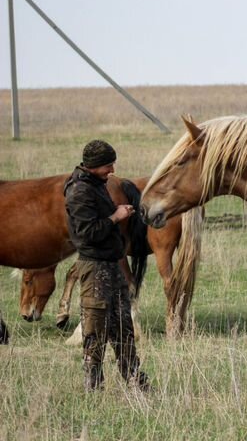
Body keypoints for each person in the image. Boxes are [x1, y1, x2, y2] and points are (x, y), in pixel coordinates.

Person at [64, 139, 149, 392]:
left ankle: (134, 381)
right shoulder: (79, 192)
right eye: (108, 165)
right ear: (93, 166)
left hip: (112, 265)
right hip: (94, 268)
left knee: (124, 327)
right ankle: (93, 386)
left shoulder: (96, 184)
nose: (112, 170)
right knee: (95, 329)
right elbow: (87, 232)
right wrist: (116, 217)